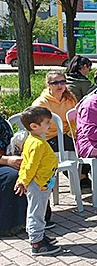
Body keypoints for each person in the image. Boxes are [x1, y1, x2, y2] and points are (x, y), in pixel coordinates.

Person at [32, 71, 90, 219]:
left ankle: (81, 175)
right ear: (48, 85)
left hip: (69, 134)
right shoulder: (41, 103)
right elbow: (38, 128)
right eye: (55, 83)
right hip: (49, 138)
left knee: (87, 145)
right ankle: (76, 177)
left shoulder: (70, 98)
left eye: (62, 82)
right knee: (70, 146)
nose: (60, 86)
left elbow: (77, 118)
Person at [13, 107, 61, 255]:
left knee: (38, 210)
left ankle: (39, 236)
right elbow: (30, 165)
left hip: (43, 182)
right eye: (47, 122)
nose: (50, 124)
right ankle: (37, 243)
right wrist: (24, 181)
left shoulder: (34, 139)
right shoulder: (37, 144)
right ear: (34, 126)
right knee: (36, 212)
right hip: (38, 183)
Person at [0, 114, 28, 235]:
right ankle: (8, 225)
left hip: (6, 158)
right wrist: (6, 160)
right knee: (13, 176)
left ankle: (35, 218)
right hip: (2, 162)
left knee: (31, 170)